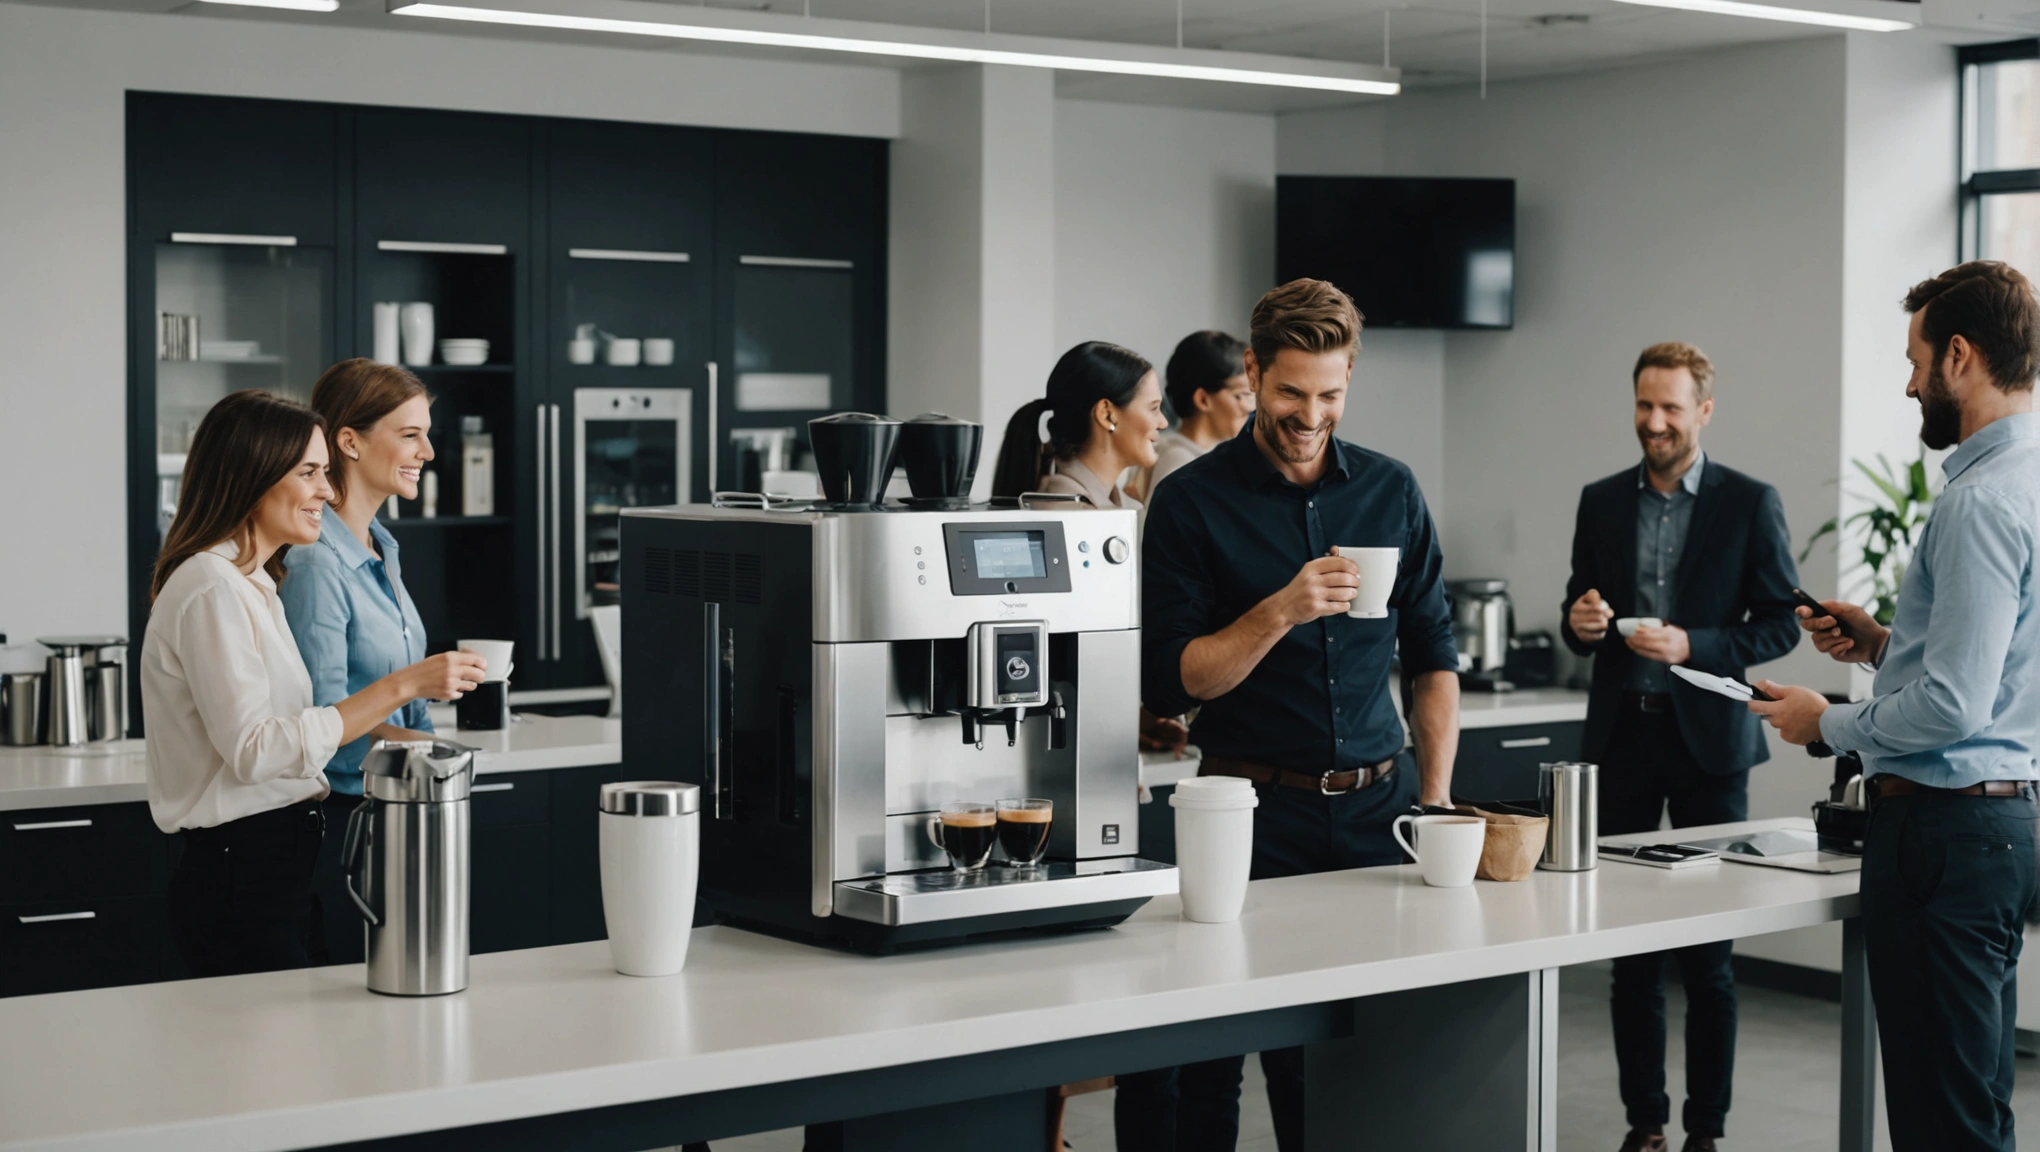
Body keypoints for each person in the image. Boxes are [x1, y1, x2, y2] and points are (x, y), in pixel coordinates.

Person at [1128, 278, 1460, 1152]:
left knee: (1354, 1059)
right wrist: (1281, 609)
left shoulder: (1391, 489)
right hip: (1250, 817)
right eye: (1290, 392)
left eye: (1330, 393)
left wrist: (1435, 799)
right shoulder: (1193, 502)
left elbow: (1432, 656)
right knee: (1216, 1056)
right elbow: (1172, 682)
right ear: (1252, 371)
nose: (1310, 414)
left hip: (1377, 815)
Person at [1751, 261, 2040, 1152]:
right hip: (2000, 826)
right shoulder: (2029, 479)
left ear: (1960, 355)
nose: (1908, 382)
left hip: (1944, 841)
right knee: (1973, 1104)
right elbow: (2001, 670)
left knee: (1941, 1123)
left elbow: (1954, 707)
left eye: (1915, 360)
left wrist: (1822, 722)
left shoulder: (1979, 501)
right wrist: (1886, 645)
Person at [140, 390, 484, 977]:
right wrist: (400, 687)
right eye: (309, 473)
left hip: (276, 868)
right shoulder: (212, 587)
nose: (328, 490)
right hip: (241, 876)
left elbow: (289, 734)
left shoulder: (254, 585)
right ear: (250, 477)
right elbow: (254, 753)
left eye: (325, 472)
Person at [1558, 342, 1800, 1152]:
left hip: (1711, 750)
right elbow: (1578, 607)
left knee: (1708, 960)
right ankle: (1646, 1126)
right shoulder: (1599, 501)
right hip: (1622, 741)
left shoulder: (1749, 503)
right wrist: (1582, 623)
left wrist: (1694, 644)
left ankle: (1706, 1132)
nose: (1654, 423)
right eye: (1643, 406)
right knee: (1629, 957)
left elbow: (1775, 622)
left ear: (1703, 410)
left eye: (1670, 408)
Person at [279, 358, 443, 960]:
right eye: (410, 434)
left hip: (395, 804)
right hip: (347, 822)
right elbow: (321, 721)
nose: (427, 451)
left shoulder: (382, 549)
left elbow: (387, 700)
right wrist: (423, 725)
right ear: (349, 440)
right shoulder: (318, 564)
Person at [990, 340, 1168, 509]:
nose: (1163, 423)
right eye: (1153, 408)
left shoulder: (1115, 505)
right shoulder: (1064, 511)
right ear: (1106, 415)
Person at [1130, 329, 1254, 507]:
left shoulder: (1193, 456)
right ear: (1203, 399)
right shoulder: (1181, 463)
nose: (1250, 408)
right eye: (1242, 395)